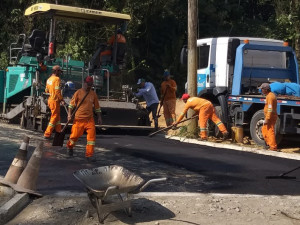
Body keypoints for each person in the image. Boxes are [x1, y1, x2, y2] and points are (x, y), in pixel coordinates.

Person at [66, 76, 102, 161]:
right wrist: (69, 115)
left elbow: (97, 107)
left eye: (91, 85)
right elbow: (71, 105)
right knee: (74, 136)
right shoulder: (78, 93)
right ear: (84, 83)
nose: (89, 86)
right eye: (88, 84)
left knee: (91, 139)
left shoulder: (93, 94)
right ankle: (69, 146)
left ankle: (89, 155)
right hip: (79, 120)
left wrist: (99, 117)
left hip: (89, 120)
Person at [44, 65, 65, 139]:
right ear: (56, 71)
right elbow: (57, 91)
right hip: (55, 100)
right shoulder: (57, 79)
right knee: (54, 117)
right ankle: (47, 133)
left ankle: (58, 133)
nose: (60, 73)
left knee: (57, 117)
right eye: (59, 71)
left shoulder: (49, 79)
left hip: (50, 100)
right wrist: (62, 99)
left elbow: (46, 90)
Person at [258, 83, 278, 151]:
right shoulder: (270, 95)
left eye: (262, 89)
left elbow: (270, 108)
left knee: (270, 131)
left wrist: (267, 118)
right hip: (270, 116)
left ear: (266, 89)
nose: (261, 90)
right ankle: (269, 144)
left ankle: (273, 147)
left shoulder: (270, 97)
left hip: (270, 117)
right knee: (264, 130)